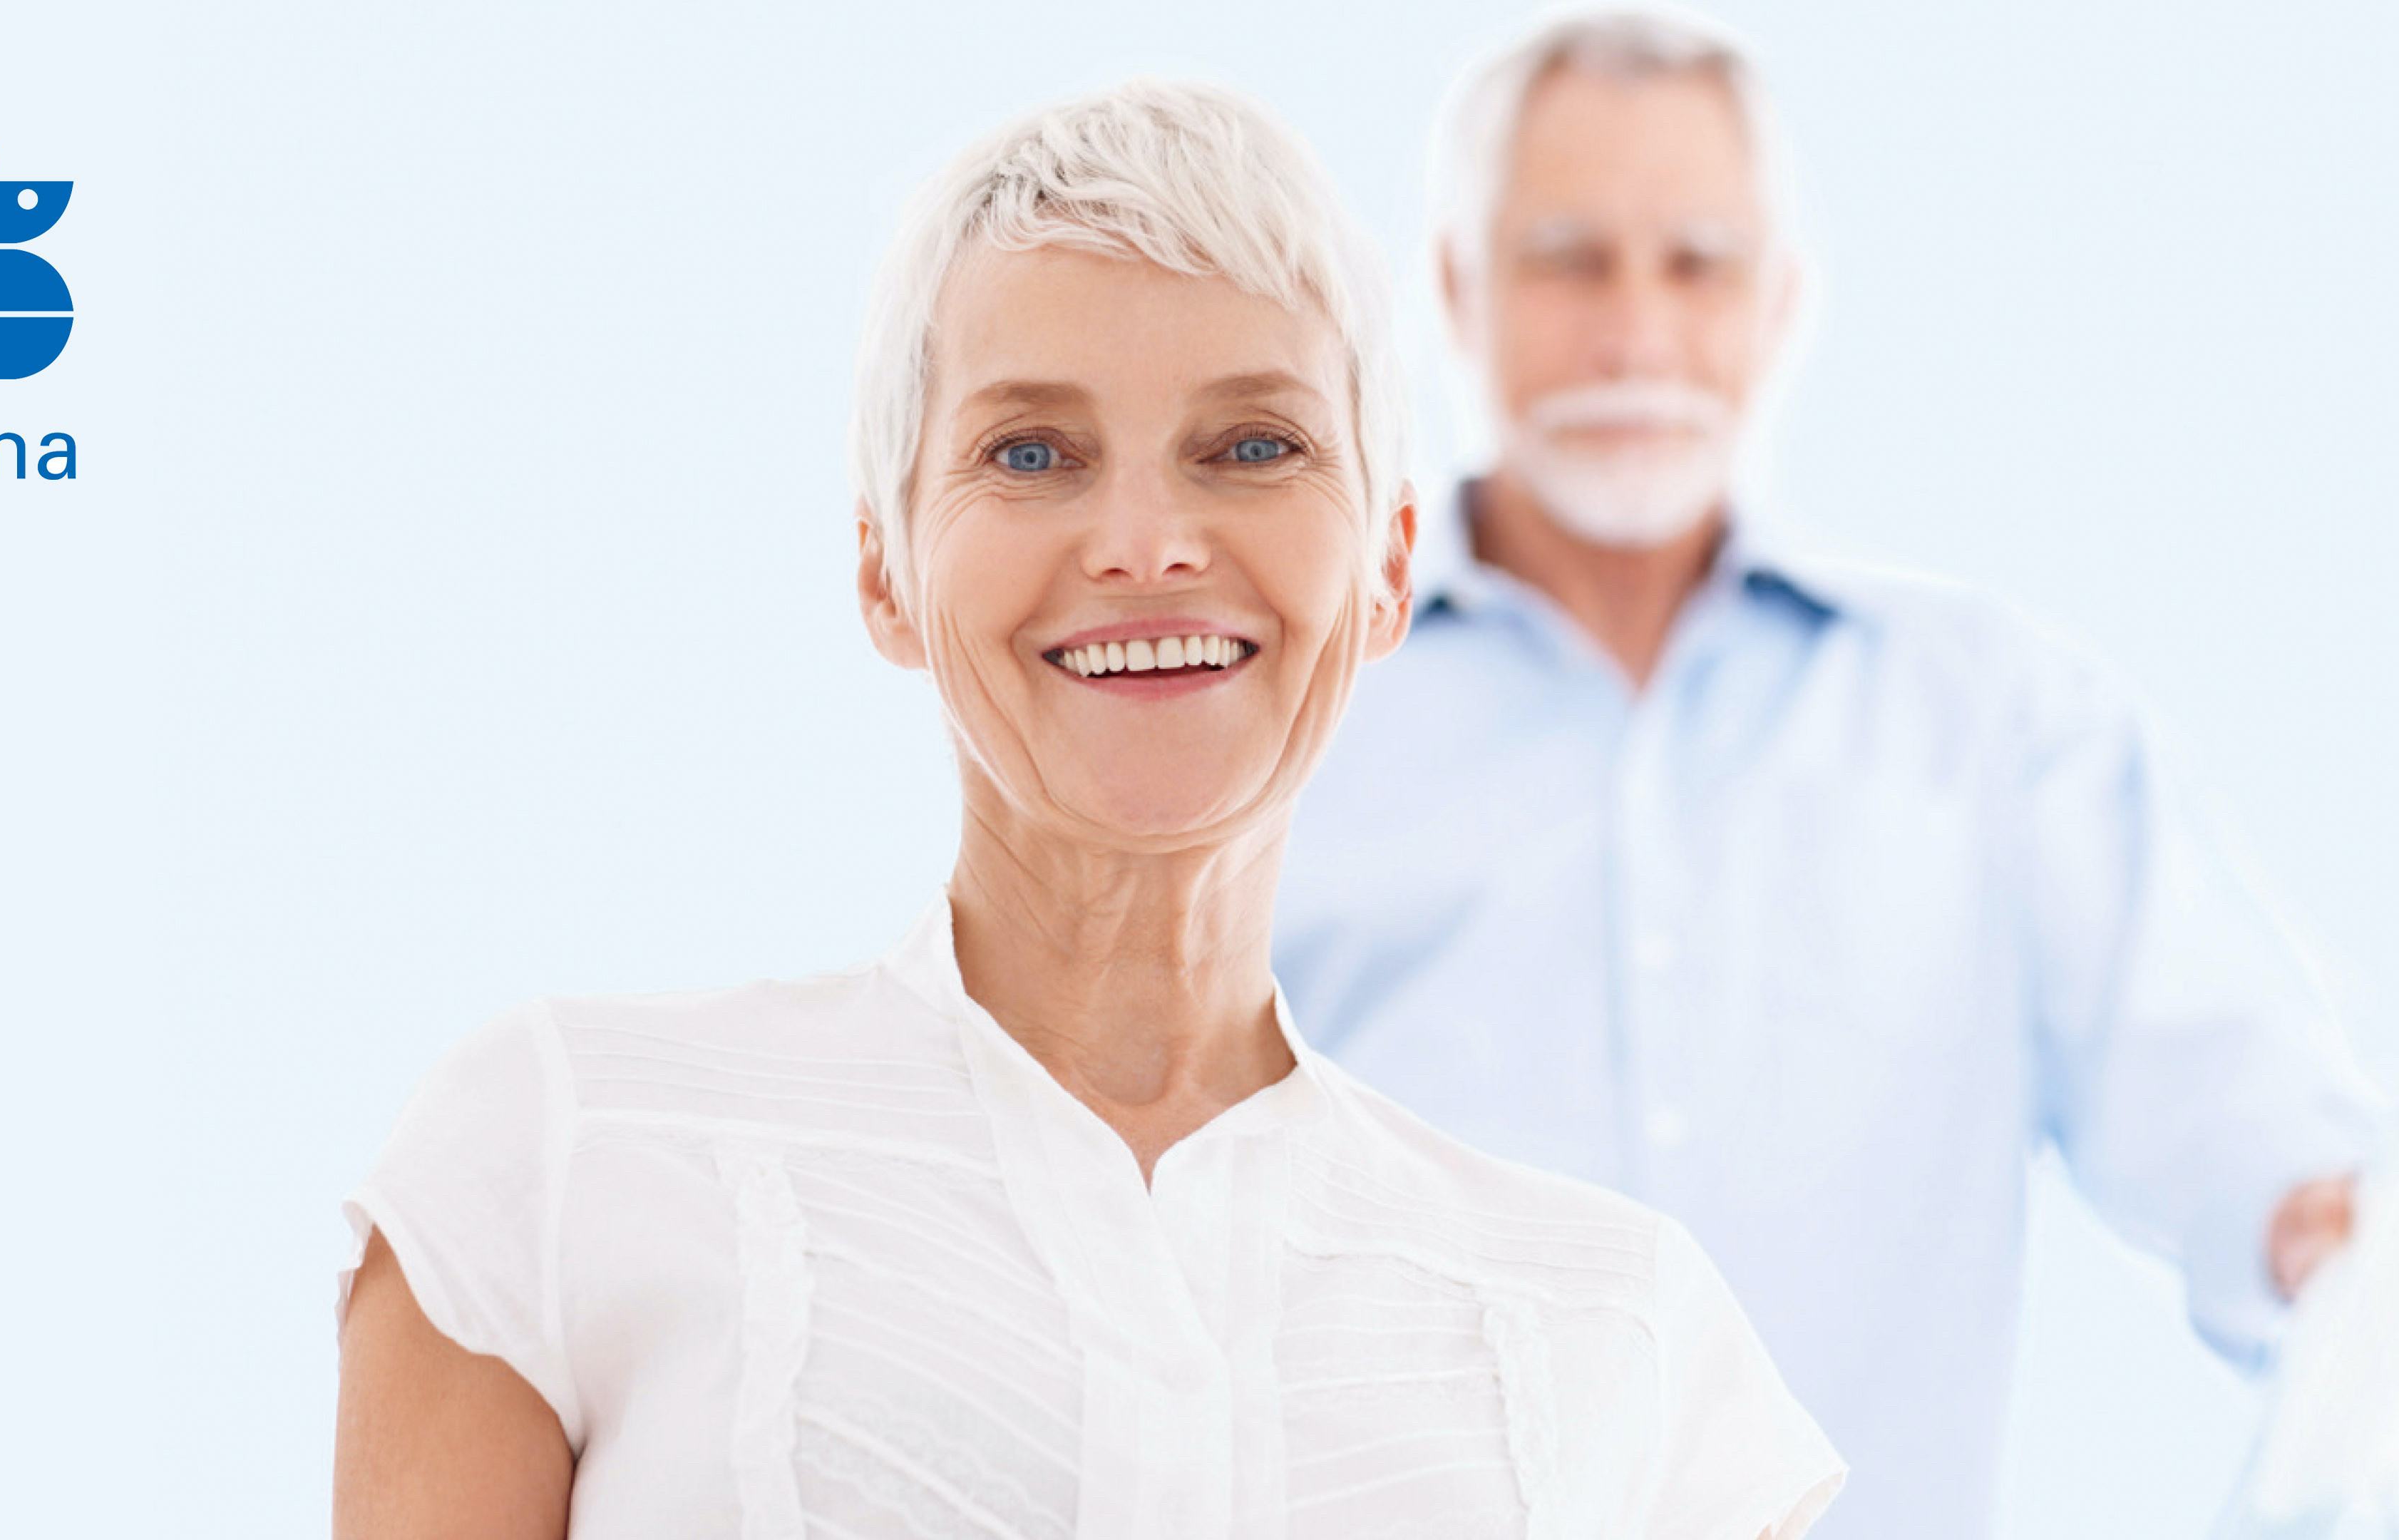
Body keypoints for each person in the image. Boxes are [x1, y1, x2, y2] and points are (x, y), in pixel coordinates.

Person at [334, 77, 1845, 1540]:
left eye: (1252, 447)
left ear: (1389, 567)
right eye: (1031, 455)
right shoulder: (565, 1155)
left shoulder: (1626, 1345)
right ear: (885, 572)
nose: (1145, 544)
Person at [1272, 9, 2390, 1540]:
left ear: (1786, 301)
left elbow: (2246, 1128)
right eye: (1569, 261)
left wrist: (2331, 1238)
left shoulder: (1993, 724)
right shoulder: (1285, 717)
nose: (1635, 333)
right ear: (1455, 291)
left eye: (1699, 265)